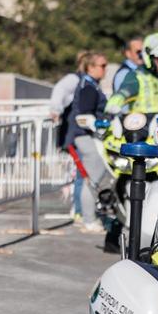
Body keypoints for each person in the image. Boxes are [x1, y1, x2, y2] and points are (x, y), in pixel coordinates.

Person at [64, 52, 111, 236]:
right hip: (84, 136)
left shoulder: (91, 85)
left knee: (93, 177)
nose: (105, 69)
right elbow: (84, 114)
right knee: (92, 178)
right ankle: (88, 219)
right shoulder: (88, 87)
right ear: (90, 67)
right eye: (102, 65)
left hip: (87, 136)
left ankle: (89, 216)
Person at [105, 33, 158, 115]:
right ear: (150, 57)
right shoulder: (137, 76)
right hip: (144, 126)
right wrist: (113, 104)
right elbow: (123, 92)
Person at [50, 52, 87, 220]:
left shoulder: (86, 81)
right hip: (72, 135)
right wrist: (56, 109)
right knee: (79, 173)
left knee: (79, 174)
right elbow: (59, 89)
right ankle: (79, 210)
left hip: (79, 134)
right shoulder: (75, 79)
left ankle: (79, 208)